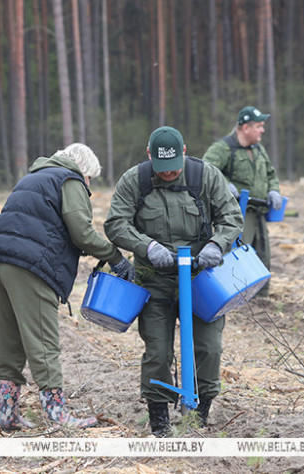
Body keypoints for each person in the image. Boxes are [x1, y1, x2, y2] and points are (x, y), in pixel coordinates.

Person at [0, 143, 135, 431]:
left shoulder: (32, 177)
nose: (88, 185)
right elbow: (81, 231)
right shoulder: (70, 179)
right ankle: (57, 413)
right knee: (43, 341)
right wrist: (115, 257)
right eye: (90, 179)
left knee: (8, 339)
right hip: (31, 267)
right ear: (84, 170)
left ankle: (7, 412)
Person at [104, 126, 243, 437]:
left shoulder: (205, 176)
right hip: (155, 282)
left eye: (174, 168)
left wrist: (216, 245)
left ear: (184, 152)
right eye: (161, 169)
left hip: (201, 279)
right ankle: (160, 421)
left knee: (209, 347)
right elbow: (115, 224)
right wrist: (147, 247)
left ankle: (199, 415)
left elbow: (232, 217)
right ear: (149, 156)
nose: (168, 174)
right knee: (158, 351)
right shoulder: (135, 180)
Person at [202, 106, 282, 296]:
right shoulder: (223, 148)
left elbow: (271, 173)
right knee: (237, 255)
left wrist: (273, 190)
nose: (262, 130)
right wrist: (225, 184)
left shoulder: (258, 150)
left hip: (259, 212)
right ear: (246, 128)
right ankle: (233, 296)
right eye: (259, 126)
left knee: (262, 256)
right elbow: (206, 168)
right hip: (237, 213)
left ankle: (261, 299)